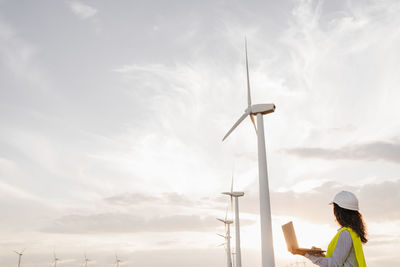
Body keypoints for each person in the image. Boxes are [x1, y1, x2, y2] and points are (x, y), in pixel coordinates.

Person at [292, 191, 367, 267]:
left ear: (338, 211)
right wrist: (321, 256)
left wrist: (306, 254)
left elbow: (334, 264)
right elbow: (339, 261)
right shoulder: (352, 232)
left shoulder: (345, 233)